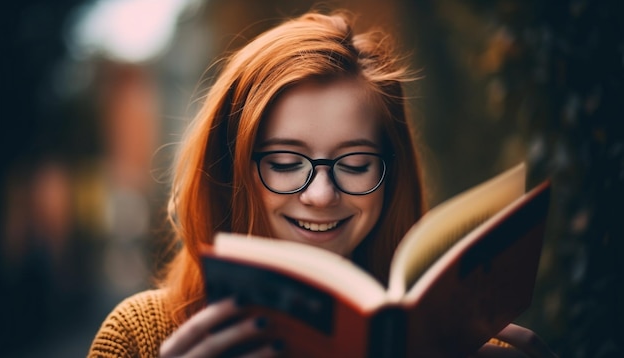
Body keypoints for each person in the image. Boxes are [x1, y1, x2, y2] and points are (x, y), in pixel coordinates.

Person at [88, 10, 556, 358]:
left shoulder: (465, 344)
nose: (321, 195)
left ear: (391, 175)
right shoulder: (141, 337)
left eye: (355, 163)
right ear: (232, 168)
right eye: (286, 161)